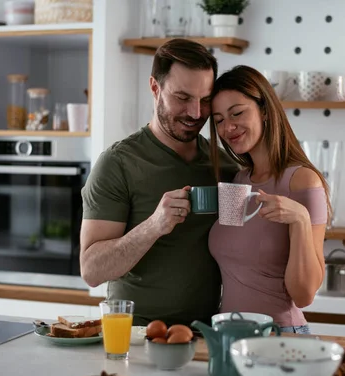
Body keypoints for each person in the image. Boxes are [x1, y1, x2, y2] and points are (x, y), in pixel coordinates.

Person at [80, 39, 238, 327]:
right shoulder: (118, 163)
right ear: (155, 88)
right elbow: (91, 270)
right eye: (182, 97)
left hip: (205, 333)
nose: (195, 113)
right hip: (133, 334)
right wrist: (153, 226)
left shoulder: (225, 166)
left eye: (204, 100)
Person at [207, 65, 330, 334]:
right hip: (227, 334)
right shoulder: (238, 181)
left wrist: (300, 219)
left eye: (237, 113)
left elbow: (304, 295)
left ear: (264, 110)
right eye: (218, 120)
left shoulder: (302, 181)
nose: (228, 127)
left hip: (279, 335)